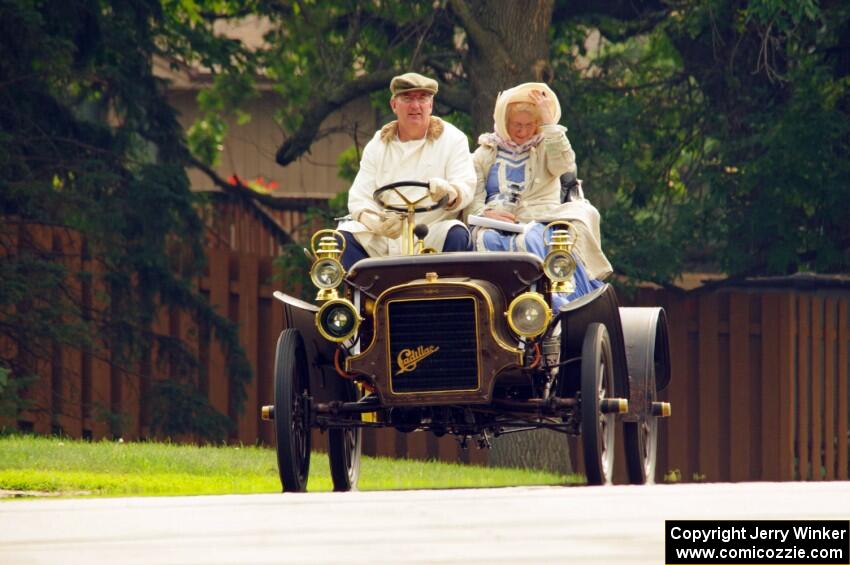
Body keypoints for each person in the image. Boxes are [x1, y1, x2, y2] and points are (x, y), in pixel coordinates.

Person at [467, 82, 612, 306]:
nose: (522, 131)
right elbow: (473, 196)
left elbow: (564, 164)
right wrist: (485, 213)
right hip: (494, 222)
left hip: (542, 219)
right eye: (516, 124)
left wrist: (549, 124)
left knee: (532, 239)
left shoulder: (547, 145)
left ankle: (550, 303)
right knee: (486, 239)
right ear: (504, 122)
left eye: (529, 124)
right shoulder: (484, 152)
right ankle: (496, 306)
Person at [337, 72, 476, 269]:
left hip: (431, 233)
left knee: (457, 233)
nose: (415, 106)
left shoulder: (453, 139)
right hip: (386, 235)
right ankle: (366, 298)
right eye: (407, 98)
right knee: (342, 238)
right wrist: (376, 222)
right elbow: (359, 196)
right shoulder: (378, 144)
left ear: (431, 105)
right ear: (394, 105)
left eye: (422, 98)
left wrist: (449, 192)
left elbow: (466, 184)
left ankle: (447, 297)